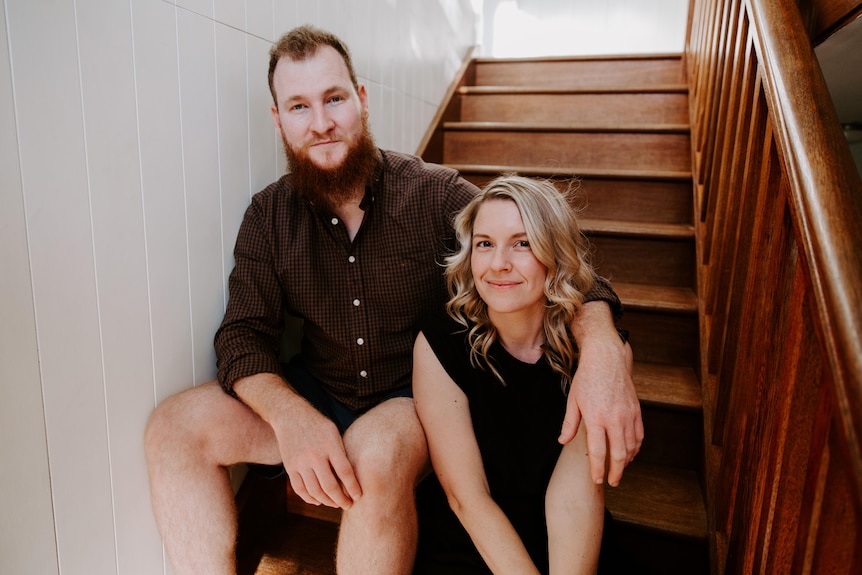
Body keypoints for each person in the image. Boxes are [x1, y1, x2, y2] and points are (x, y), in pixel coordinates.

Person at [144, 25, 642, 575]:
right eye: (299, 106)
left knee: (373, 454)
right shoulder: (268, 216)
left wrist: (600, 353)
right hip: (317, 392)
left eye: (333, 98)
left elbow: (555, 264)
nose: (321, 121)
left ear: (360, 99)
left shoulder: (434, 193)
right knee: (172, 429)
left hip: (412, 400)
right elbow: (240, 336)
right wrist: (291, 417)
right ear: (278, 120)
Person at [412, 175, 624, 574]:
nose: (498, 264)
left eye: (522, 243)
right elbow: (467, 497)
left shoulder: (600, 356)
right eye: (485, 244)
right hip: (471, 536)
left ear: (555, 254)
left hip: (568, 540)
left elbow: (574, 498)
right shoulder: (440, 343)